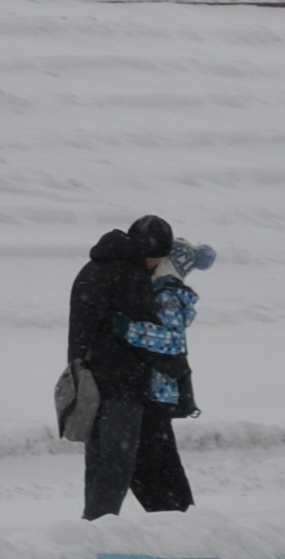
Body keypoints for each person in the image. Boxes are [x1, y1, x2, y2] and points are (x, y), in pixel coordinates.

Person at [67, 216, 187, 521]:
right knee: (117, 466)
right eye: (158, 258)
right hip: (122, 387)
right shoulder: (130, 276)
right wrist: (176, 368)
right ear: (151, 253)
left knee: (98, 466)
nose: (157, 264)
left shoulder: (93, 268)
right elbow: (148, 336)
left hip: (88, 382)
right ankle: (101, 534)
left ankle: (91, 528)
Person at [112, 237, 217, 514]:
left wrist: (129, 330)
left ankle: (172, 517)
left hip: (155, 391)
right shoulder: (161, 290)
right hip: (156, 391)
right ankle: (181, 515)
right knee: (162, 461)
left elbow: (171, 340)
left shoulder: (167, 294)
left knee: (146, 463)